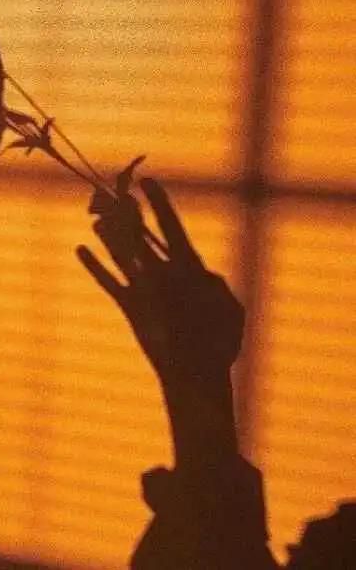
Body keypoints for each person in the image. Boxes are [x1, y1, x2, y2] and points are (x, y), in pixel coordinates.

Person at [77, 176, 278, 569]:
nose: (327, 515)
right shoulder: (233, 535)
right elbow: (224, 530)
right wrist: (198, 375)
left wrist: (198, 376)